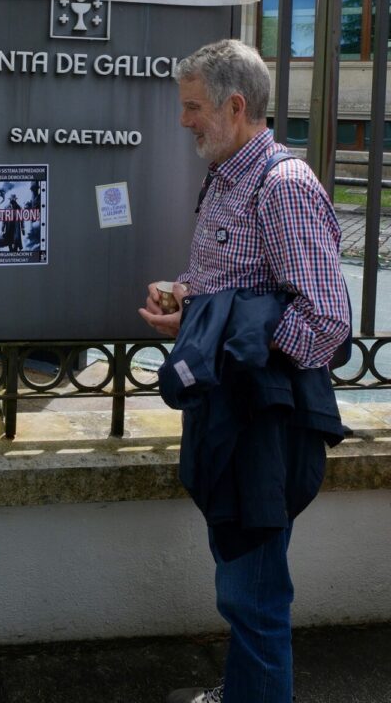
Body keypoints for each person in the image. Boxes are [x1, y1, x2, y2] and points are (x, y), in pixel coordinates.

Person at [138, 39, 350, 703]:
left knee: (254, 597)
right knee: (241, 584)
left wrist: (218, 333)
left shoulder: (282, 186)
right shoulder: (228, 174)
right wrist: (189, 305)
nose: (184, 120)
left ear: (235, 106)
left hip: (264, 426)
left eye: (193, 106)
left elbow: (325, 320)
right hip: (230, 415)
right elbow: (235, 286)